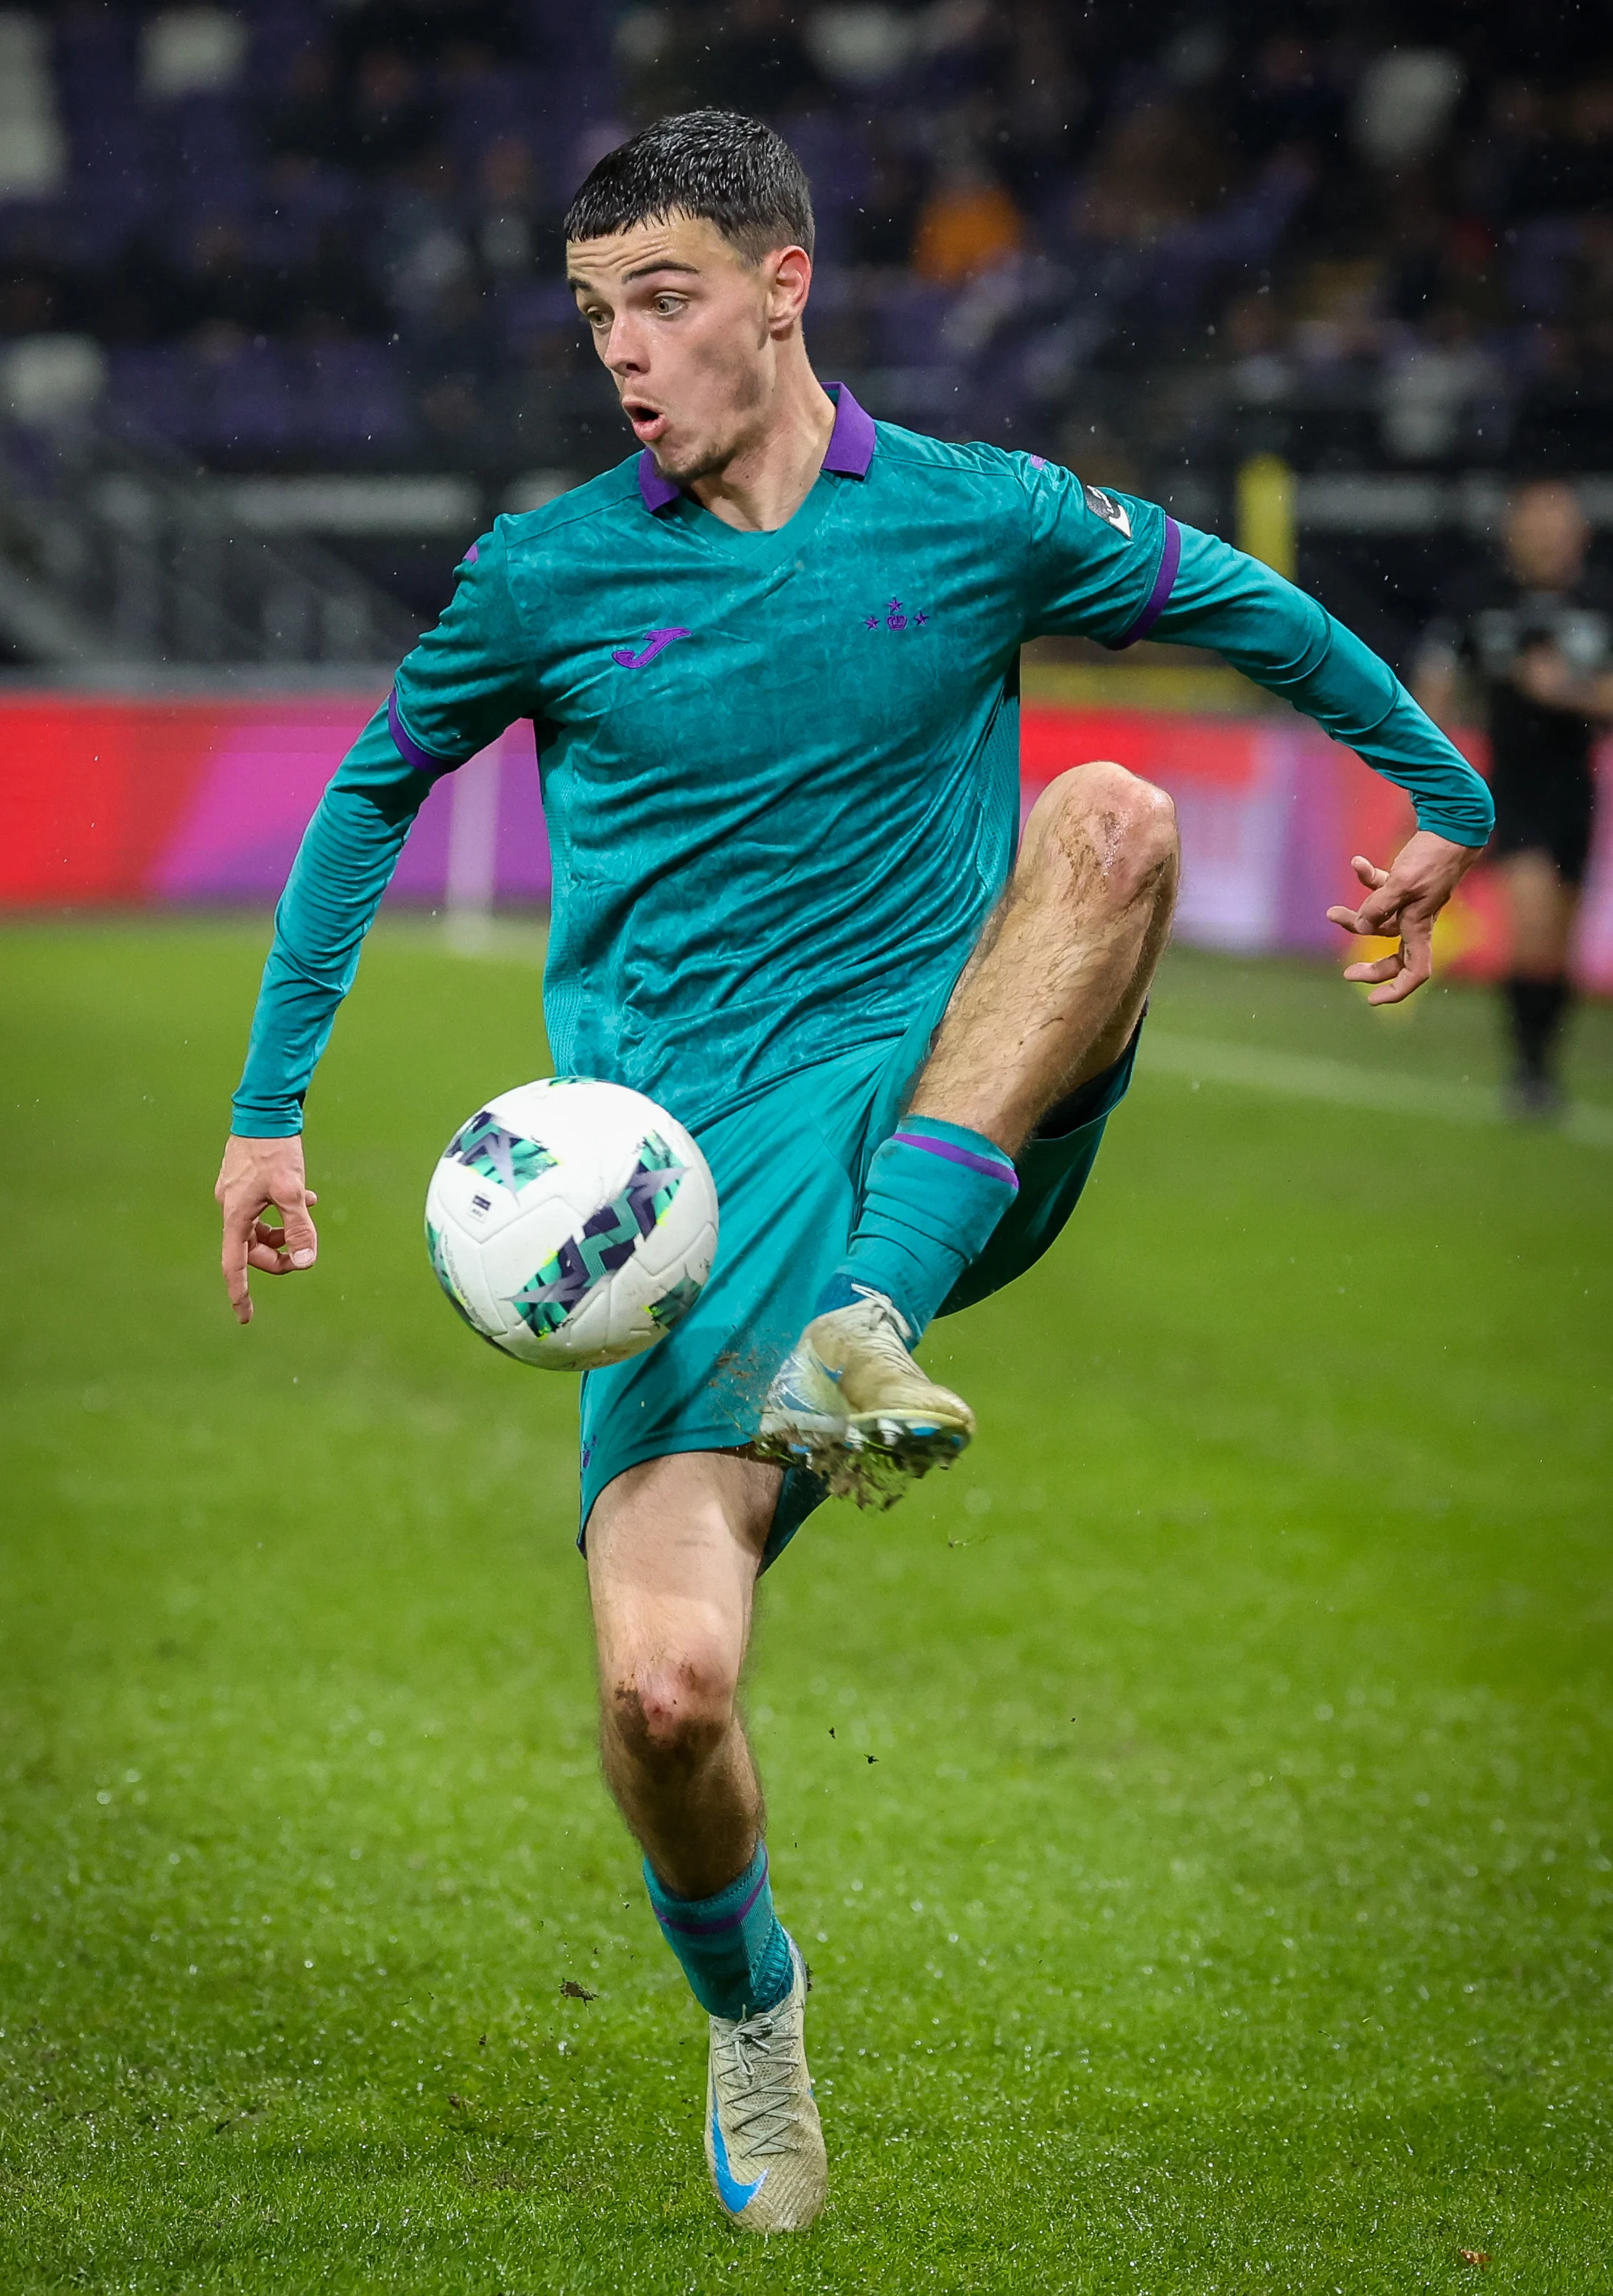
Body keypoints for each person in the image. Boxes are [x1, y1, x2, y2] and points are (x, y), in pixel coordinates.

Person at [216, 111, 1493, 2234]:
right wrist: (272, 1103)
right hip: (690, 1214)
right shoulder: (549, 571)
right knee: (663, 1692)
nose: (623, 351)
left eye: (666, 297)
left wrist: (1446, 791)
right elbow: (370, 795)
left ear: (785, 283)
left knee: (1108, 818)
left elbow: (1246, 604)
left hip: (954, 1116)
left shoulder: (982, 517)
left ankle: (869, 1319)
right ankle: (753, 2011)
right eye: (595, 310)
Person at [1415, 479, 1612, 1115]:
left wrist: (1568, 693)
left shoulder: (1599, 601)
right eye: (1535, 523)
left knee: (1557, 943)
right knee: (1529, 926)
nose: (1548, 536)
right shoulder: (1483, 600)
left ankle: (1540, 1064)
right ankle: (1526, 1070)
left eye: (1559, 524)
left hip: (1577, 791)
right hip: (1512, 791)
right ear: (1514, 533)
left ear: (1577, 535)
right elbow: (1438, 682)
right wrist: (1425, 759)